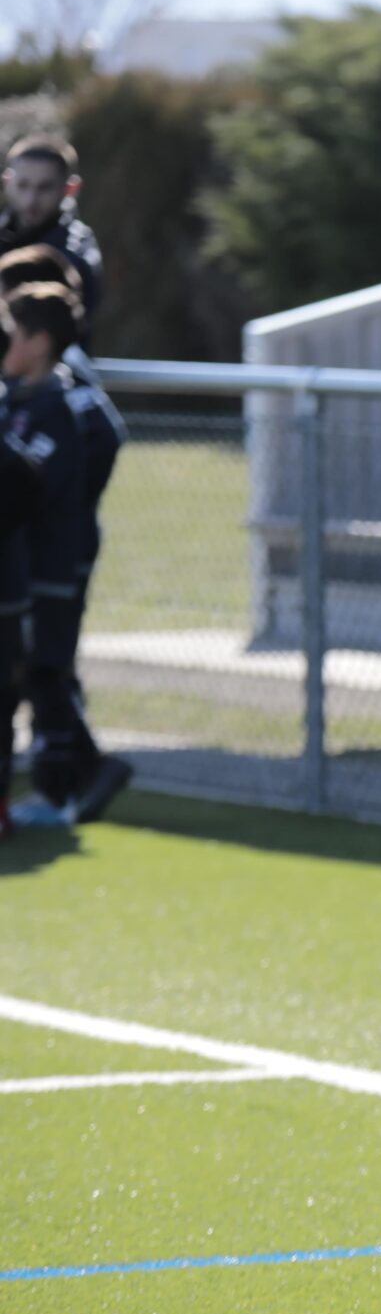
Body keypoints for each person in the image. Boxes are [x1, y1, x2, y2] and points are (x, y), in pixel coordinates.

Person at [0, 282, 114, 834]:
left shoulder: (57, 408)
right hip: (27, 569)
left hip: (48, 571)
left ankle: (62, 786)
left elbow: (36, 490)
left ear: (40, 342)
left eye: (13, 335)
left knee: (45, 673)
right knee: (34, 673)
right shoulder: (19, 399)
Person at [0, 245, 127, 729]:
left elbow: (94, 448)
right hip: (25, 559)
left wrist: (57, 510)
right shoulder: (21, 394)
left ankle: (72, 775)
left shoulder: (64, 396)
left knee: (44, 670)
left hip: (50, 559)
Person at [0, 136, 103, 333]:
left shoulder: (75, 254)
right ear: (7, 182)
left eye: (45, 187)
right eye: (23, 185)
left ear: (70, 189)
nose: (31, 200)